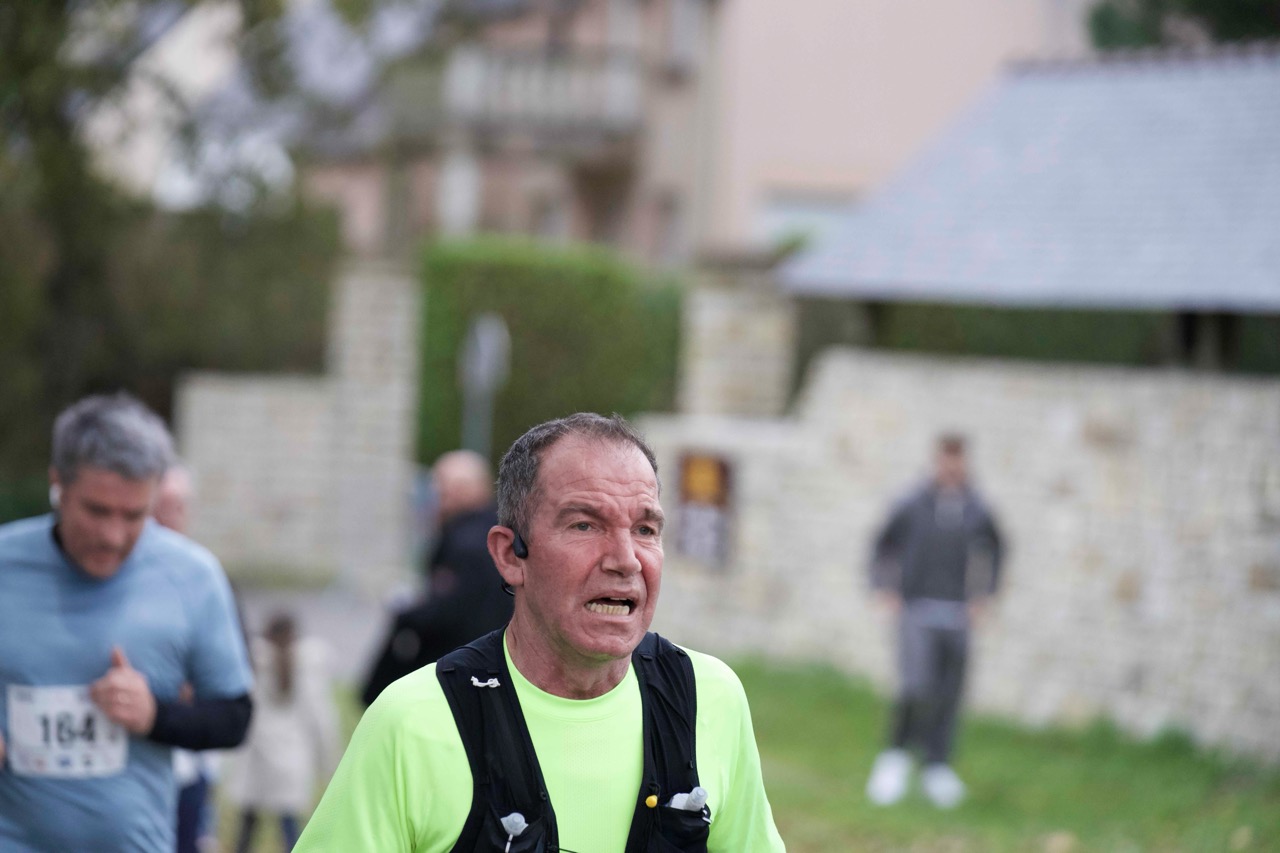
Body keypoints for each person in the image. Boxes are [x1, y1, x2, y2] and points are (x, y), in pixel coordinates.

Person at [296, 413, 785, 852]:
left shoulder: (708, 698)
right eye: (585, 525)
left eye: (645, 529)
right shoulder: (412, 723)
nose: (625, 560)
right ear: (510, 555)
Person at [0, 392, 254, 852]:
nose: (113, 536)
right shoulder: (6, 564)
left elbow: (235, 718)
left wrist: (154, 715)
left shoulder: (193, 576)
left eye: (134, 515)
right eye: (96, 510)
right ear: (58, 484)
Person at [864, 433, 1004, 809]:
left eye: (958, 460)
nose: (951, 467)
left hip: (956, 613)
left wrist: (985, 594)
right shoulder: (913, 503)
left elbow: (996, 548)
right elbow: (883, 544)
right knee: (915, 686)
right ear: (937, 461)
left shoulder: (976, 508)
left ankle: (937, 766)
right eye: (946, 459)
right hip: (916, 609)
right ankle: (894, 757)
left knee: (949, 692)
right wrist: (885, 587)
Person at [360, 449, 513, 706]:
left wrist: (406, 616)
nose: (438, 497)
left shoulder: (466, 543)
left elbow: (447, 609)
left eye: (442, 488)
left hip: (461, 667)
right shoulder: (497, 530)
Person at [223, 611, 340, 852]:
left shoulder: (252, 663)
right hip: (292, 758)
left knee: (248, 826)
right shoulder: (308, 669)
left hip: (257, 755)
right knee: (290, 828)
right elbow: (320, 718)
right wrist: (328, 762)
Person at [155, 463, 227, 853]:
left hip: (191, 749)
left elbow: (235, 676)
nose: (169, 517)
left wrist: (198, 685)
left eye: (177, 506)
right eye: (161, 506)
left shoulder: (205, 577)